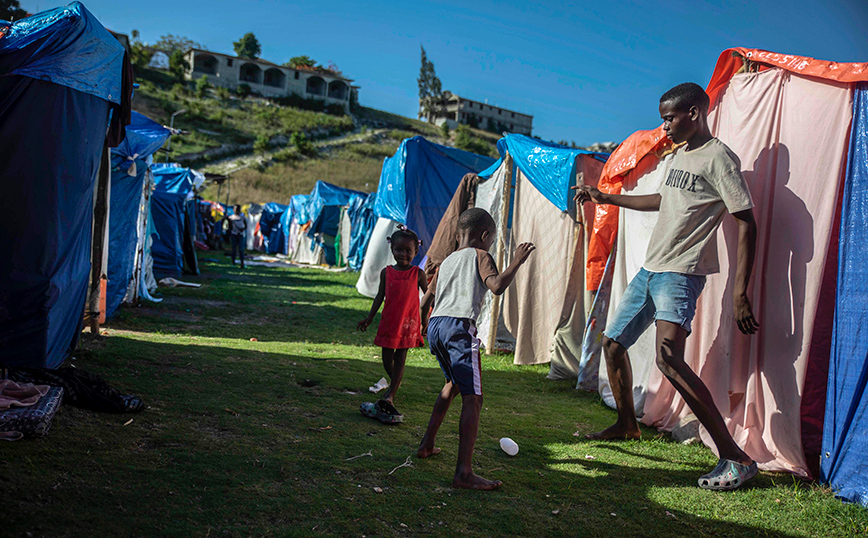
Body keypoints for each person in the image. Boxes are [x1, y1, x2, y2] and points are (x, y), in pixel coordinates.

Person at [574, 82, 759, 491]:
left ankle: (737, 458)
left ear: (694, 113)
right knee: (613, 344)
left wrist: (739, 292)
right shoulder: (680, 156)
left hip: (681, 272)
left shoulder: (719, 158)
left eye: (670, 118)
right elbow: (663, 200)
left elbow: (746, 221)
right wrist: (606, 197)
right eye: (663, 119)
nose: (665, 126)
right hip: (651, 269)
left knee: (668, 359)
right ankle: (627, 424)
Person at [416, 208, 535, 490]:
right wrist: (517, 261)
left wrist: (423, 326)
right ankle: (464, 473)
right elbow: (496, 286)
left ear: (459, 235)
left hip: (437, 326)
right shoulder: (481, 255)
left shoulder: (447, 261)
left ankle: (426, 445)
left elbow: (425, 301)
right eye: (491, 239)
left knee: (452, 385)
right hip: (459, 327)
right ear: (485, 236)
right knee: (474, 399)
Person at [357, 226, 428, 423]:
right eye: (399, 249)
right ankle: (395, 381)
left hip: (408, 323)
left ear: (416, 251)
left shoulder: (418, 274)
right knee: (386, 357)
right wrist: (370, 317)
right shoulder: (386, 272)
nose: (403, 254)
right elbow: (380, 296)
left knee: (401, 357)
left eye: (408, 250)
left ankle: (391, 394)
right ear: (392, 249)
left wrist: (425, 320)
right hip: (389, 321)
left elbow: (428, 296)